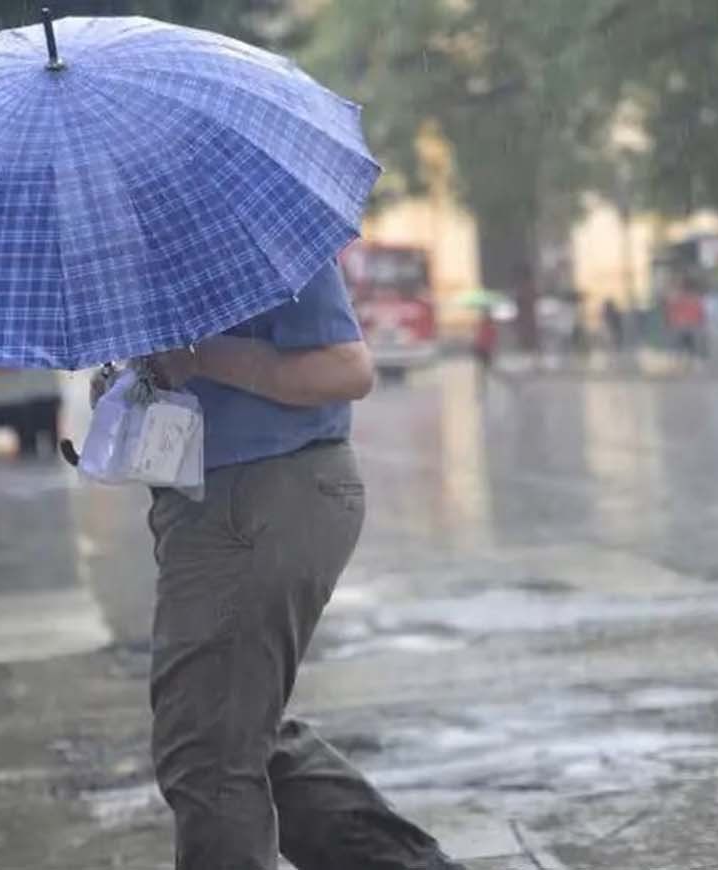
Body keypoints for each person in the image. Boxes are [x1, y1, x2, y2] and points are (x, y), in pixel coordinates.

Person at [121, 260, 465, 870]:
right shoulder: (140, 247)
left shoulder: (254, 226)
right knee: (230, 732)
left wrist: (200, 357)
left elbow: (348, 367)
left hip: (268, 492)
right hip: (204, 506)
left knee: (209, 755)